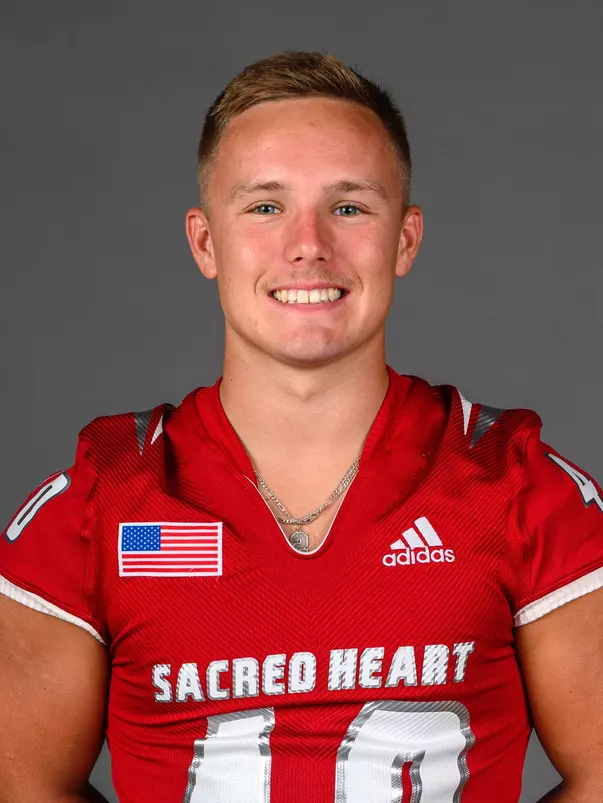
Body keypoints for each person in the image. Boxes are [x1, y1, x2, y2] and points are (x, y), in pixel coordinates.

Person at [1, 50, 602, 803]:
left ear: (404, 239)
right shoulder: (103, 502)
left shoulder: (519, 487)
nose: (308, 242)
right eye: (264, 205)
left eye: (348, 206)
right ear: (204, 242)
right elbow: (18, 777)